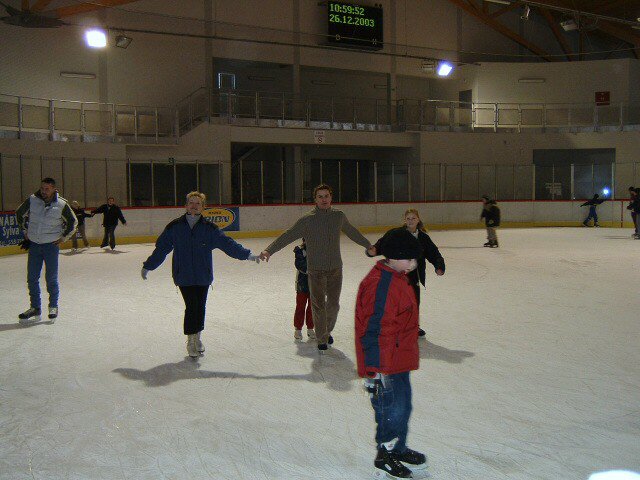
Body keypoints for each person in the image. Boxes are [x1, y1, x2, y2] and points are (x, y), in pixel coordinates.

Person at [141, 191, 260, 358]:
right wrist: (149, 266)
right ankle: (190, 340)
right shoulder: (175, 227)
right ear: (186, 205)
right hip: (184, 276)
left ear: (203, 207)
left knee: (200, 306)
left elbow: (228, 244)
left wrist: (247, 255)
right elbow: (161, 249)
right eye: (191, 202)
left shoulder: (209, 229)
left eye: (198, 203)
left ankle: (197, 337)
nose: (194, 206)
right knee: (192, 306)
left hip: (203, 275)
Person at [260, 184, 373, 351]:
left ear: (331, 197)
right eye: (320, 196)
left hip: (335, 268)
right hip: (316, 270)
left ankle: (326, 331)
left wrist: (367, 244)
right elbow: (288, 235)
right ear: (315, 199)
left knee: (333, 305)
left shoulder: (338, 216)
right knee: (318, 305)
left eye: (326, 196)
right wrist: (270, 250)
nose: (323, 199)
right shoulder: (307, 219)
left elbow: (352, 231)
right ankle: (322, 338)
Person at [355, 227, 428, 479]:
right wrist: (375, 370)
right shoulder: (381, 284)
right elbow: (374, 329)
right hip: (384, 365)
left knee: (403, 406)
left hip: (398, 359)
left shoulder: (397, 277)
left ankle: (398, 448)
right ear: (394, 257)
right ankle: (385, 455)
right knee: (390, 409)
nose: (414, 264)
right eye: (410, 259)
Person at [368, 209, 445, 337]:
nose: (410, 221)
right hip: (396, 273)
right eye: (408, 218)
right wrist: (374, 250)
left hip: (414, 274)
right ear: (404, 220)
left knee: (414, 300)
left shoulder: (423, 237)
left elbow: (433, 253)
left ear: (418, 220)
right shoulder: (396, 233)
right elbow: (383, 244)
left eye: (413, 218)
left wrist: (439, 266)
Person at [15, 177, 78, 325]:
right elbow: (19, 213)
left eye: (47, 189)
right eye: (42, 188)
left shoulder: (61, 204)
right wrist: (25, 231)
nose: (43, 191)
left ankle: (53, 306)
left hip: (51, 246)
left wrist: (63, 238)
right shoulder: (32, 200)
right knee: (32, 278)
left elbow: (73, 222)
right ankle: (35, 308)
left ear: (54, 189)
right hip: (34, 245)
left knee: (51, 278)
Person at [293, 239, 315, 340]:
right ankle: (298, 329)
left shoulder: (319, 250)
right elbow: (299, 264)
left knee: (312, 307)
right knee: (300, 306)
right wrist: (313, 269)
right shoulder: (299, 250)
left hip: (315, 283)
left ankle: (310, 328)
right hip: (302, 283)